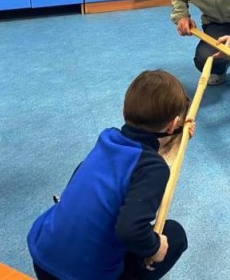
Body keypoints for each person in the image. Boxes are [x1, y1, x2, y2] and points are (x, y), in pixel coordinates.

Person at [27, 70, 191, 280]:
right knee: (174, 235)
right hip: (84, 276)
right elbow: (130, 230)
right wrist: (155, 247)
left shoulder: (108, 138)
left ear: (123, 110)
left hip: (42, 257)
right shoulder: (154, 168)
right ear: (173, 124)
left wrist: (178, 135)